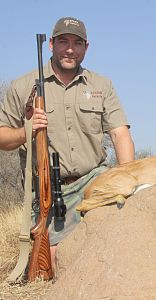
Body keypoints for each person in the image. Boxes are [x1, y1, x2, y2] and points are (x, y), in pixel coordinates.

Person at [0, 17, 135, 267]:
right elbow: (2, 137)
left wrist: (129, 179)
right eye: (63, 41)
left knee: (120, 234)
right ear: (51, 44)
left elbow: (119, 133)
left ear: (86, 47)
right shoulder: (22, 87)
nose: (70, 49)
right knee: (55, 264)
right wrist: (26, 131)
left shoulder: (101, 85)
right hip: (47, 190)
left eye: (77, 43)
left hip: (92, 180)